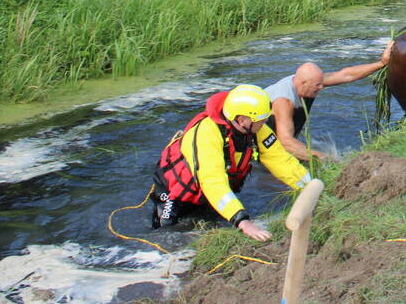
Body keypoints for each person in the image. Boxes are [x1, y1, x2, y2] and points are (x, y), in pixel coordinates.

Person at [152, 84, 310, 240]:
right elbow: (212, 181)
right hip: (174, 194)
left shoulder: (256, 129)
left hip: (210, 193)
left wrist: (310, 187)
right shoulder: (207, 135)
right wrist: (242, 221)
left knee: (214, 226)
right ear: (242, 120)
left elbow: (282, 161)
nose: (266, 121)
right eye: (262, 118)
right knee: (167, 235)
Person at [265, 44, 393, 161]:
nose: (321, 87)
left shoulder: (308, 83)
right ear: (303, 83)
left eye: (321, 83)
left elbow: (345, 75)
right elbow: (286, 142)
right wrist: (326, 158)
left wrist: (381, 63)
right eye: (317, 85)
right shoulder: (284, 101)